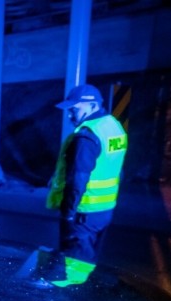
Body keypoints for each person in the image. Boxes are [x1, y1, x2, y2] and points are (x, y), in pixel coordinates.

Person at [44, 83, 127, 285]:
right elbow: (115, 167)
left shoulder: (86, 136)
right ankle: (83, 289)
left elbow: (78, 178)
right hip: (104, 209)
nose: (70, 115)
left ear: (91, 106)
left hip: (83, 210)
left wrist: (69, 212)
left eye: (75, 109)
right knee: (87, 260)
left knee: (73, 267)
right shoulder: (113, 126)